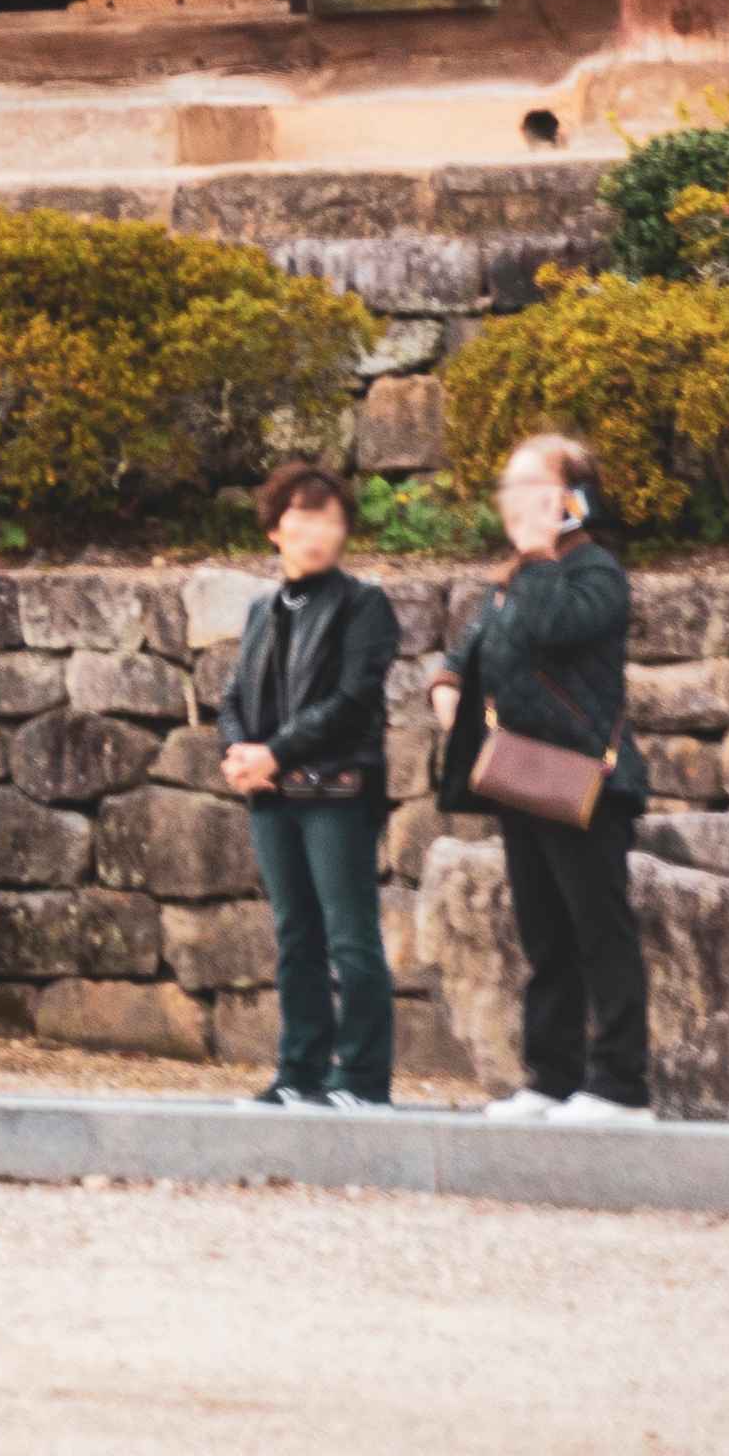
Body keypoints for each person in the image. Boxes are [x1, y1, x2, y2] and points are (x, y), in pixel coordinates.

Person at [439, 428, 652, 1123]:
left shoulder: (595, 572)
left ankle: (621, 1085)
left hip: (586, 782)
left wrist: (535, 556)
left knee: (600, 931)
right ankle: (552, 1077)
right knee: (544, 935)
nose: (512, 499)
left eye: (529, 485)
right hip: (521, 778)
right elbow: (471, 648)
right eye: (509, 486)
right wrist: (446, 682)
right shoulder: (517, 578)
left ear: (571, 499)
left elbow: (556, 626)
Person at [213, 456, 401, 1110]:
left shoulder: (364, 604)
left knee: (350, 936)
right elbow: (233, 694)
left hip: (338, 792)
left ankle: (364, 1080)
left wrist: (273, 753)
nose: (316, 532)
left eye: (330, 519)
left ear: (345, 530)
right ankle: (299, 1073)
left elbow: (352, 701)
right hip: (273, 795)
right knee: (295, 937)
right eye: (302, 519)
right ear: (275, 529)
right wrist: (237, 751)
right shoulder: (263, 609)